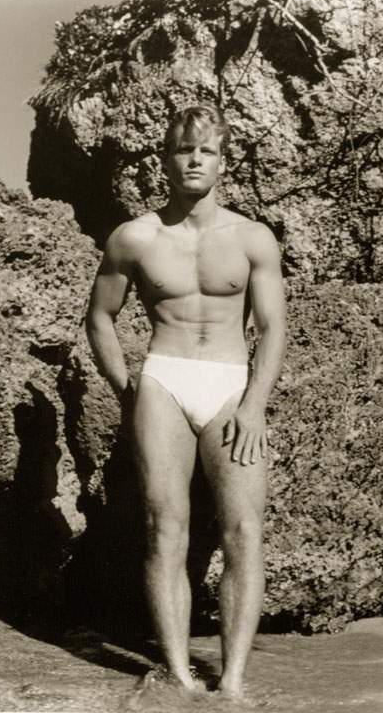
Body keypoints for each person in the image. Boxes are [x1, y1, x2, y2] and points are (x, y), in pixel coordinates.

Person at [86, 103, 286, 698]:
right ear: (165, 160)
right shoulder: (135, 237)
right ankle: (177, 675)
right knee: (163, 528)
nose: (195, 160)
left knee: (244, 530)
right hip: (164, 381)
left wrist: (254, 404)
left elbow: (272, 328)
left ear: (223, 161)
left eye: (207, 151)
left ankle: (234, 683)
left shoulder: (252, 237)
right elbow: (99, 317)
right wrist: (127, 388)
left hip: (230, 383)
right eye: (183, 149)